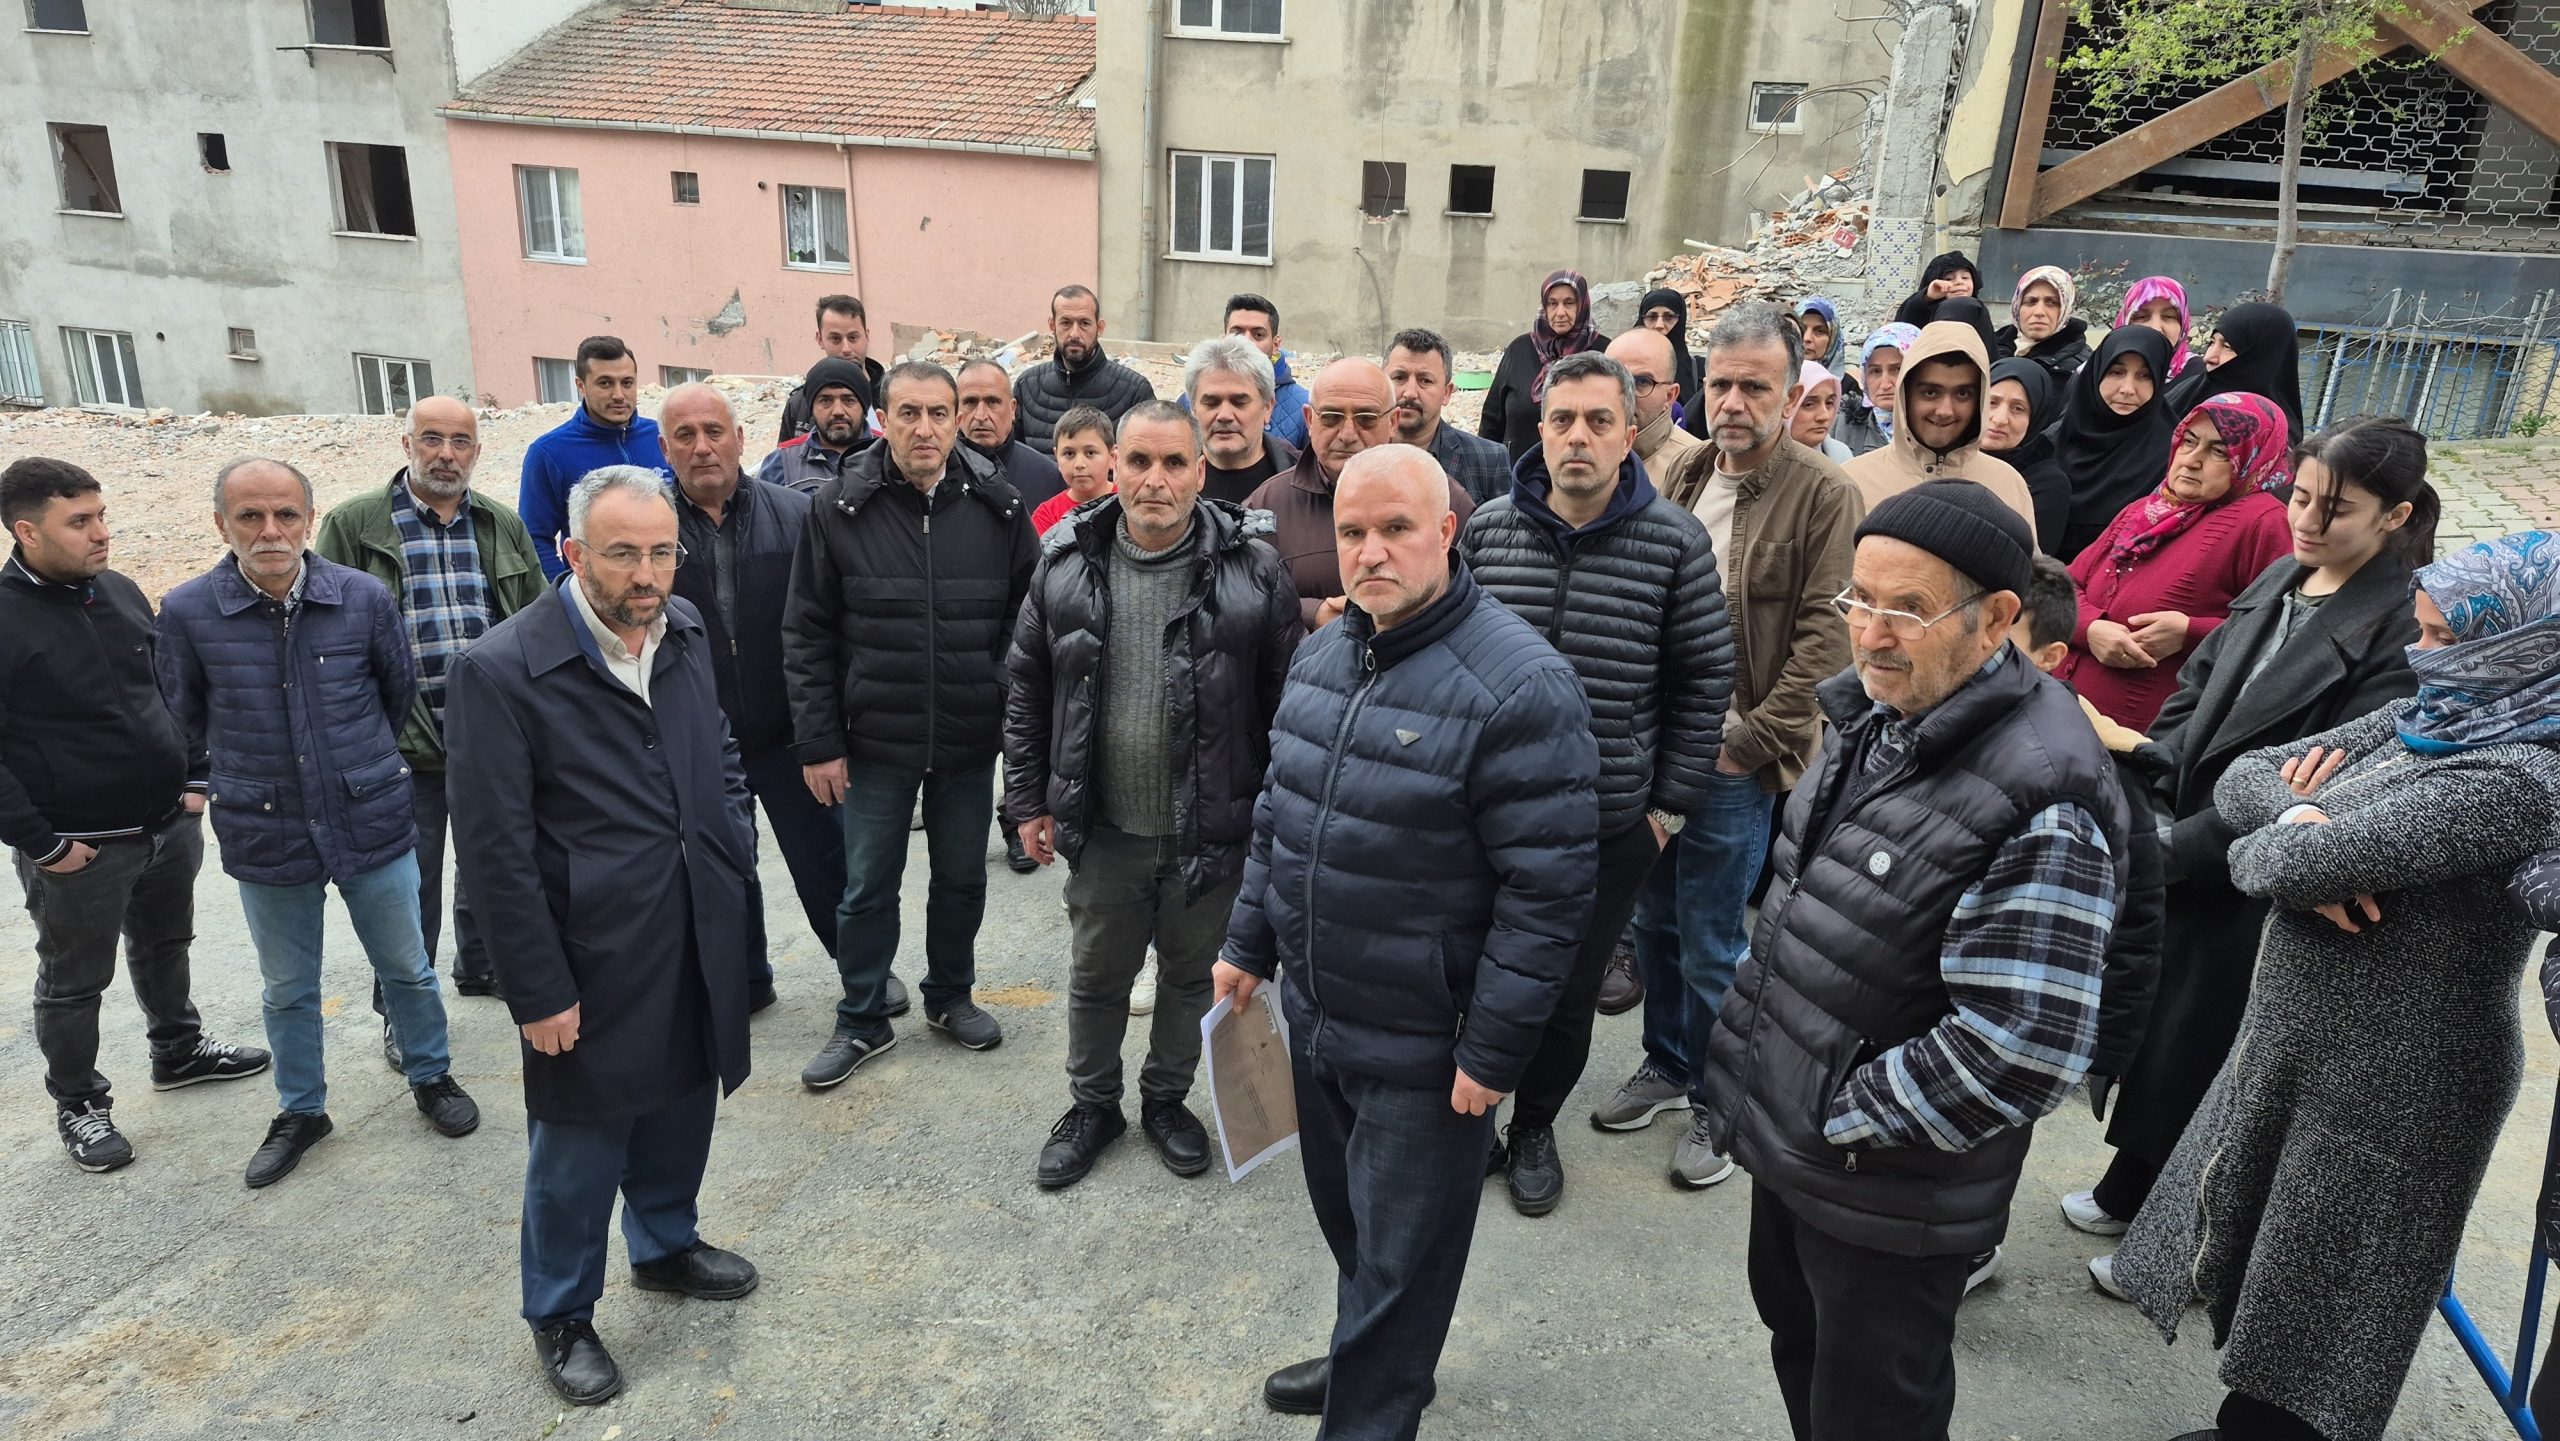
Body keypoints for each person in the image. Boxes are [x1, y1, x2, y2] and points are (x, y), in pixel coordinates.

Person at [2111, 527, 2560, 1441]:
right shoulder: (2438, 712)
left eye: (2442, 637)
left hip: (2401, 1082)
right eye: (2422, 629)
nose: (2418, 654)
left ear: (2516, 648)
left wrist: (2296, 839)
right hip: (2317, 1047)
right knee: (2274, 1273)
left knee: (2327, 1312)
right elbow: (2246, 778)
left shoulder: (2520, 776)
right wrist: (2301, 818)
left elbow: (2280, 865)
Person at [1701, 478, 2125, 1441]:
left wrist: (1840, 1115)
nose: (1871, 633)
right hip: (1806, 1149)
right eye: (1859, 599)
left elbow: (2022, 1045)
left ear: (1998, 619)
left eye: (1908, 609)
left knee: (1873, 1409)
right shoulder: (1880, 714)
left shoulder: (2044, 790)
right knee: (1802, 1345)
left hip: (1886, 1184)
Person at [1215, 444, 1600, 1437]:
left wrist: (1493, 1047)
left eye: (1395, 529)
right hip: (1320, 1016)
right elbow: (1278, 812)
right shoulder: (1323, 654)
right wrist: (1247, 941)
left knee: (1403, 1259)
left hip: (1430, 1046)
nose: (1371, 551)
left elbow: (1548, 892)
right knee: (1352, 1227)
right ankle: (1371, 1356)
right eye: (1352, 531)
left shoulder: (1521, 685)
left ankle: (1374, 1401)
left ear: (1447, 531)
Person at [2072, 417, 2435, 1263]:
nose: (2307, 521)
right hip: (2190, 825)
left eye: (2335, 508)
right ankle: (2132, 1187)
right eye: (2300, 497)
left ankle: (2175, 1239)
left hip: (2260, 864)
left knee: (2215, 1052)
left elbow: (2315, 776)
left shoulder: (2395, 627)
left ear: (2394, 516)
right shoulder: (2283, 575)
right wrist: (2157, 775)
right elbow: (2194, 692)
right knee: (2163, 1031)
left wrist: (2186, 844)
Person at [443, 467, 761, 1408]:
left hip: (694, 919)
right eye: (623, 553)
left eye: (662, 551)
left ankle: (664, 1243)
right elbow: (494, 850)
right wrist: (536, 988)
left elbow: (719, 747)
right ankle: (561, 1312)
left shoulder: (683, 629)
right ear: (572, 552)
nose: (647, 573)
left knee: (683, 1097)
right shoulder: (501, 669)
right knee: (579, 1141)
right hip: (589, 947)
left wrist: (731, 842)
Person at [1460, 351, 1734, 1215]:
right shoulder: (1487, 531)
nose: (1578, 436)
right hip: (1485, 817)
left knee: (1566, 990)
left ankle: (1534, 1127)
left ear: (1629, 432)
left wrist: (1666, 811)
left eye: (1598, 421)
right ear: (1540, 431)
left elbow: (1703, 681)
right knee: (1471, 975)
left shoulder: (1674, 542)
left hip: (1607, 823)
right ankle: (1469, 1120)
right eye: (1563, 419)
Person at [157, 457, 480, 1188]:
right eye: (250, 516)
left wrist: (355, 766)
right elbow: (184, 716)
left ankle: (431, 1075)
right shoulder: (187, 611)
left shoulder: (363, 597)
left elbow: (396, 694)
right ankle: (301, 1108)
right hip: (264, 826)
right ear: (222, 525)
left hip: (368, 814)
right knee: (288, 986)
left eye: (286, 515)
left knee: (407, 967)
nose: (270, 531)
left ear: (310, 519)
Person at [1596, 303, 1863, 1188]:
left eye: (1756, 386)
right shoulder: (1684, 471)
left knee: (1713, 940)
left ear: (1791, 394)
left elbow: (1826, 642)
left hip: (1731, 760)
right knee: (1655, 923)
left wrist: (1748, 744)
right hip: (1656, 749)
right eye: (1722, 384)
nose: (1735, 402)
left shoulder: (1824, 493)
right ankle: (1668, 1063)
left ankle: (1724, 1100)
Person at [1005, 400, 1300, 1189]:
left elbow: (1286, 706)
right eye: (1138, 461)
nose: (1155, 480)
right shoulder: (1064, 563)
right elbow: (1028, 688)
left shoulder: (1254, 570)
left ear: (1201, 472)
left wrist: (1276, 821)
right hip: (1104, 826)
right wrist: (1028, 798)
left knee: (1191, 975)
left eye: (1174, 463)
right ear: (1114, 468)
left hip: (1212, 828)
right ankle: (1093, 1104)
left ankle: (1166, 1099)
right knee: (1097, 975)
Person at [3, 458, 268, 1173]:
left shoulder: (117, 591)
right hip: (80, 846)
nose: (101, 533)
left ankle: (177, 1050)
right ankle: (79, 1103)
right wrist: (43, 843)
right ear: (28, 531)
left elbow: (168, 688)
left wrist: (195, 776)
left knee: (165, 944)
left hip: (166, 824)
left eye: (101, 516)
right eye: (79, 522)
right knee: (73, 981)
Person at [783, 362, 1038, 1086]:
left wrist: (995, 687)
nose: (924, 429)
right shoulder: (838, 508)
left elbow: (1029, 617)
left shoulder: (1000, 507)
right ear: (883, 421)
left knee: (961, 879)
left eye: (938, 413)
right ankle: (862, 1017)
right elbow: (805, 631)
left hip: (967, 735)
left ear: (956, 421)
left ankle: (950, 996)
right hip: (873, 739)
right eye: (908, 414)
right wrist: (820, 741)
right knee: (867, 885)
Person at [313, 396, 545, 1028]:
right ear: (406, 444)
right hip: (398, 745)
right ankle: (405, 1017)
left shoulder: (500, 523)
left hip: (489, 738)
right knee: (408, 888)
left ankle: (483, 966)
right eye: (432, 439)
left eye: (460, 442)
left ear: (477, 451)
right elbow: (324, 637)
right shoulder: (354, 524)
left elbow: (535, 624)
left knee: (495, 865)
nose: (446, 454)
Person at [663, 383, 850, 1016]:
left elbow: (831, 628)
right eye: (685, 435)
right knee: (721, 865)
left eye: (714, 431)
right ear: (665, 448)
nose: (702, 446)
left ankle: (863, 972)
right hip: (699, 736)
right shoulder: (651, 526)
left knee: (828, 862)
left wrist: (828, 730)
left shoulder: (798, 514)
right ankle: (743, 981)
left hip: (791, 729)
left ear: (741, 439)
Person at [2012, 554, 2170, 1129]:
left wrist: (2111, 1046)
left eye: (2004, 643)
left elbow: (2139, 914)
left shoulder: (2100, 762)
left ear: (2051, 657)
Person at [2057, 394, 2296, 733]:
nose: (2192, 460)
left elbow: (2281, 630)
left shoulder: (2263, 521)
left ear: (2254, 457)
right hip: (2062, 709)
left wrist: (2190, 633)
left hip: (2143, 736)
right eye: (2189, 441)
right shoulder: (2147, 509)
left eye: (2219, 451)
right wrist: (2090, 628)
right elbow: (2063, 586)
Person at [1247, 357, 1475, 629]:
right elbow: (1242, 598)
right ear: (1309, 419)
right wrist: (1311, 613)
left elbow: (1473, 599)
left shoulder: (1443, 498)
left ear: (1393, 421)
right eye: (1331, 418)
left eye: (1366, 419)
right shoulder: (1266, 505)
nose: (1347, 434)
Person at [1843, 321, 2041, 541]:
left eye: (1962, 394)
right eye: (1930, 392)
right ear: (1906, 395)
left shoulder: (2008, 485)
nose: (1945, 411)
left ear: (1980, 400)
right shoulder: (1853, 482)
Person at [520, 335, 668, 579]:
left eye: (627, 383)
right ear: (581, 386)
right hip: (596, 592)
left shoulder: (661, 437)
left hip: (666, 585)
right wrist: (564, 590)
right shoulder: (549, 452)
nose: (619, 394)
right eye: (605, 383)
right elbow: (533, 538)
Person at [2048, 326, 2178, 561]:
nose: (2127, 389)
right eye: (2117, 372)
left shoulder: (2174, 458)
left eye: (2145, 376)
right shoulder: (2050, 442)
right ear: (2097, 372)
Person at [1012, 284, 1156, 454]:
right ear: (1052, 326)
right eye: (1065, 323)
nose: (1074, 334)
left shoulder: (1134, 391)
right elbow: (1011, 456)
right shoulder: (1027, 386)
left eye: (1084, 323)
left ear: (1100, 328)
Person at [1481, 269, 1605, 461]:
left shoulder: (1603, 352)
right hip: (1516, 471)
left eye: (1569, 303)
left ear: (1582, 304)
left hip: (1580, 467)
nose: (1560, 312)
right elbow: (1492, 420)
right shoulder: (1520, 350)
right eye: (1552, 303)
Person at [1385, 327, 1510, 505]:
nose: (1410, 393)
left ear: (1447, 392)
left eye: (1425, 380)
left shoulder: (1489, 460)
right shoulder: (1358, 452)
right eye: (1399, 377)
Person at [1605, 326, 1715, 510]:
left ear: (1670, 396)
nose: (1624, 394)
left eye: (1641, 382)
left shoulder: (1696, 468)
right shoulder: (1576, 448)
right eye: (1613, 379)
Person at [2168, 301, 2307, 442]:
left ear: (2262, 358)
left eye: (2227, 347)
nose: (2209, 357)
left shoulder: (2273, 436)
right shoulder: (2188, 391)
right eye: (2212, 342)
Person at [1183, 335, 1295, 505]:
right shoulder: (1166, 478)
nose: (1224, 415)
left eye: (1239, 402)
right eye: (1211, 403)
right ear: (1193, 408)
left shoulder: (1304, 481)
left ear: (1267, 407)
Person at [1981, 358, 2071, 551]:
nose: (2000, 419)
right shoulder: (1950, 457)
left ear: (2036, 417)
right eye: (1992, 402)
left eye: (2018, 408)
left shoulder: (2047, 483)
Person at [956, 357, 1066, 511]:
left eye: (992, 402)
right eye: (970, 402)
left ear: (1012, 408)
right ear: (956, 409)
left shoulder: (1048, 477)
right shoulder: (935, 473)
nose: (981, 415)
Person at [776, 294, 885, 446]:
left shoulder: (892, 395)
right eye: (835, 339)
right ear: (820, 339)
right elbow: (786, 455)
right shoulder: (799, 404)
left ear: (867, 336)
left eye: (853, 338)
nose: (846, 349)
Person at [755, 357, 874, 493]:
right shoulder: (782, 463)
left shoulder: (888, 451)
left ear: (864, 408)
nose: (838, 411)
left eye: (848, 400)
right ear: (811, 410)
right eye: (826, 401)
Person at [1218, 293, 1311, 449]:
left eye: (1258, 335)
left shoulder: (1304, 406)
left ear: (1276, 345)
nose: (1246, 342)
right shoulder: (1192, 399)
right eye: (1237, 333)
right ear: (1223, 339)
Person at [1831, 324, 1917, 457]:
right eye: (1876, 371)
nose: (1885, 384)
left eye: (1897, 370)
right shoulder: (1843, 427)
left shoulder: (1939, 428)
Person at [1991, 265, 2092, 378]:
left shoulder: (2082, 369)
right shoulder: (1989, 349)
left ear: (2065, 310)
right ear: (2017, 307)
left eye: (2051, 302)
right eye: (2031, 301)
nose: (2039, 312)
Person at [1032, 406, 1116, 534]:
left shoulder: (1128, 504)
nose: (1079, 464)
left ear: (1112, 457)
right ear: (1057, 457)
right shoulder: (1045, 516)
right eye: (1069, 454)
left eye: (1090, 453)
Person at [1635, 286, 1702, 423]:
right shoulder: (1625, 367)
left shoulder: (1699, 370)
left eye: (1669, 317)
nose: (1659, 325)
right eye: (1652, 317)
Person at [2116, 277, 2197, 384]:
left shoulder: (2198, 376)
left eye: (2168, 316)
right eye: (2142, 317)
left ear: (2183, 326)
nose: (2156, 328)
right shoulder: (2101, 371)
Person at [1891, 250, 1982, 328]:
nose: (1959, 282)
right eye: (1948, 279)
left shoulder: (1979, 312)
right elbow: (1905, 325)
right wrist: (1927, 298)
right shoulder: (1923, 311)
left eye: (1965, 277)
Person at [1788, 360, 1854, 465]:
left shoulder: (1843, 457)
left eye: (1829, 403)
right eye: (1809, 404)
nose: (1824, 416)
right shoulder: (1762, 463)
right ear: (1786, 404)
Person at [1794, 297, 1844, 375]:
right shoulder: (1775, 375)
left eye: (1820, 331)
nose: (1806, 338)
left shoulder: (1847, 383)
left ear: (1833, 339)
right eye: (1801, 328)